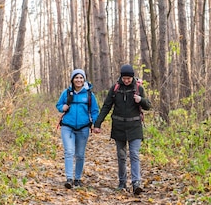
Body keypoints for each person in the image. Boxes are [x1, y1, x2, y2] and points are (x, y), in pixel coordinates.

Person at [93, 64, 151, 194]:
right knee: (121, 155)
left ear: (132, 77)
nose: (126, 80)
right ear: (121, 77)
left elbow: (148, 106)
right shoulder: (115, 89)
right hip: (119, 127)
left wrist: (140, 100)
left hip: (135, 127)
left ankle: (136, 183)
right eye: (124, 78)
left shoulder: (138, 89)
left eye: (128, 78)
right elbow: (106, 107)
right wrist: (98, 124)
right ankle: (122, 182)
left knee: (134, 154)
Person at [56, 68, 99, 189]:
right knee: (69, 152)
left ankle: (77, 178)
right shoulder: (66, 93)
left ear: (84, 79)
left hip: (83, 128)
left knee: (80, 154)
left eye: (81, 78)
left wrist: (96, 124)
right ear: (72, 79)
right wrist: (62, 107)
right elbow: (58, 105)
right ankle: (69, 178)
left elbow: (95, 111)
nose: (78, 80)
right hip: (67, 126)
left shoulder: (90, 95)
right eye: (76, 77)